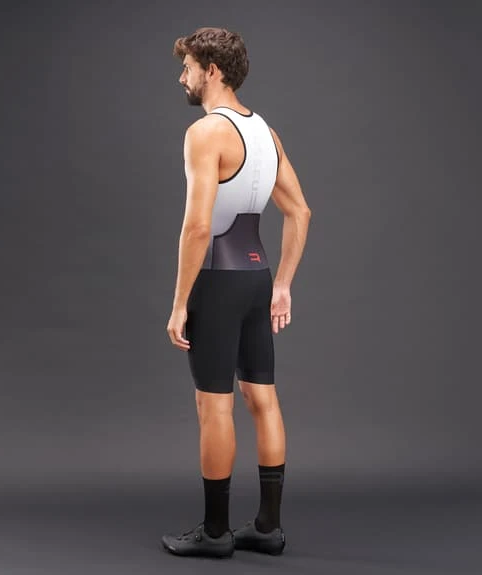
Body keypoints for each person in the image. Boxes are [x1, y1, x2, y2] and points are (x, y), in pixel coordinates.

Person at [162, 27, 311, 559]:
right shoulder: (265, 132)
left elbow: (198, 227)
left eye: (187, 67)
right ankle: (267, 527)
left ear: (212, 70)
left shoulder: (206, 132)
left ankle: (216, 532)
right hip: (256, 277)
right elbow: (299, 211)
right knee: (262, 398)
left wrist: (180, 303)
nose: (182, 77)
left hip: (218, 282)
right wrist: (282, 284)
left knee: (215, 405)